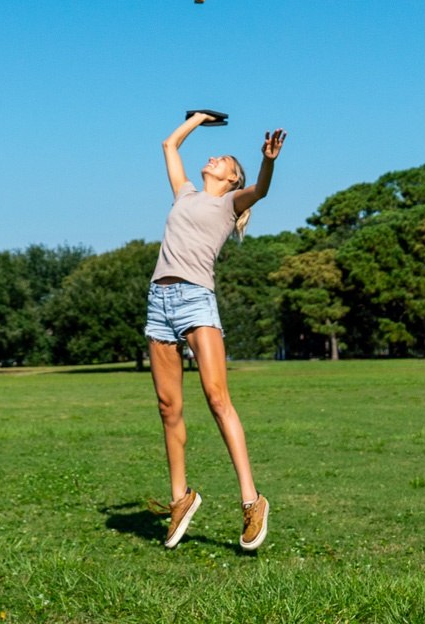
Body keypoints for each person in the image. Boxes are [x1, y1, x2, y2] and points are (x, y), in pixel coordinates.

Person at [145, 112, 286, 551]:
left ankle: (252, 501)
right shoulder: (185, 194)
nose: (213, 158)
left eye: (222, 159)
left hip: (195, 300)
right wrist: (198, 119)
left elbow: (261, 190)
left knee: (217, 398)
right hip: (159, 302)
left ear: (232, 178)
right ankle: (180, 498)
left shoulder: (229, 204)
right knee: (168, 407)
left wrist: (267, 161)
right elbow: (169, 146)